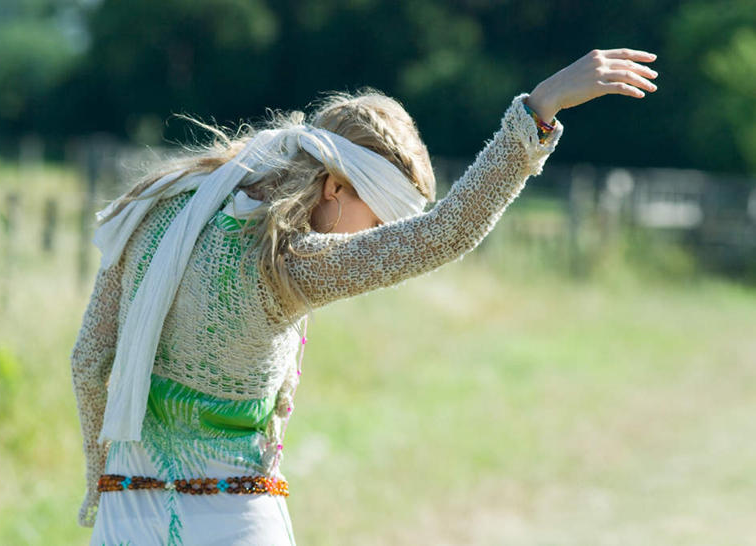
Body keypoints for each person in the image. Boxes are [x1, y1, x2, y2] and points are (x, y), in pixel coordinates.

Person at [71, 47, 658, 545]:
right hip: (230, 521)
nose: (373, 241)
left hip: (124, 521)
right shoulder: (285, 262)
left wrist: (106, 480)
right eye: (377, 221)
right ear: (333, 186)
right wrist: (537, 110)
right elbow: (445, 234)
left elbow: (88, 361)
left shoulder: (157, 210)